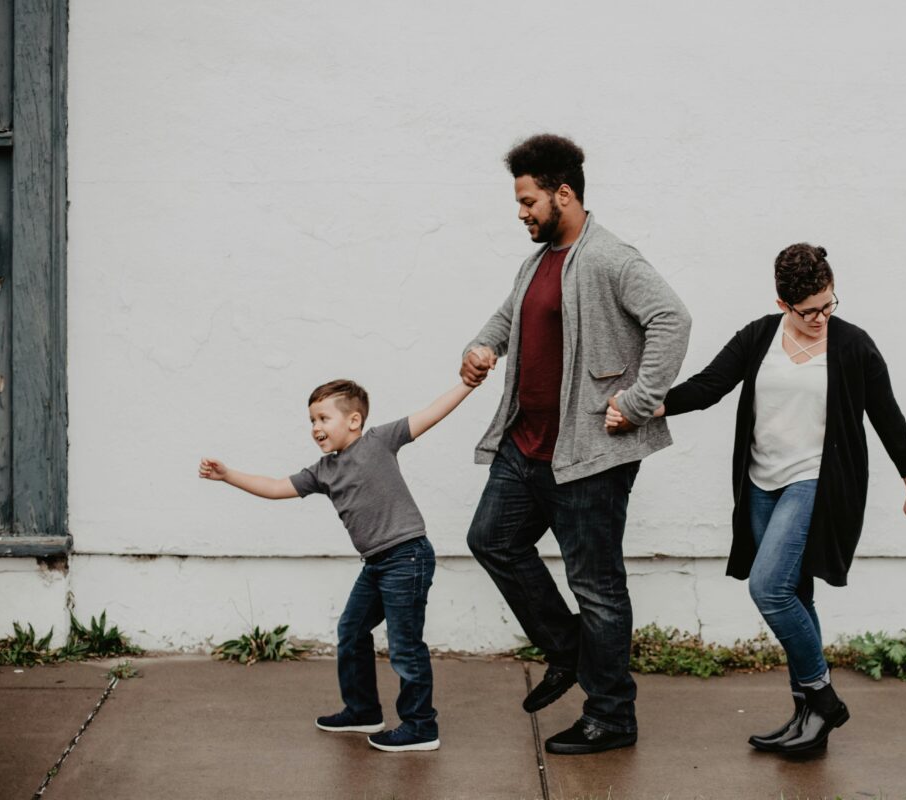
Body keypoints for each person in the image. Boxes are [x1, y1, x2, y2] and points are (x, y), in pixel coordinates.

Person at [606, 243, 906, 754]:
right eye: (809, 311)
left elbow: (887, 416)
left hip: (815, 482)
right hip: (761, 484)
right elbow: (710, 386)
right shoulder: (761, 336)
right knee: (796, 595)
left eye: (829, 305)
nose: (822, 318)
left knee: (769, 589)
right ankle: (809, 720)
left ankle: (823, 699)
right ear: (784, 304)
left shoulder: (853, 346)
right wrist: (644, 408)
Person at [461, 133, 690, 755]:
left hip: (587, 456)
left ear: (564, 194)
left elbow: (673, 318)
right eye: (519, 201)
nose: (521, 212)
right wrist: (482, 347)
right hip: (525, 447)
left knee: (597, 587)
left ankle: (612, 715)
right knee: (491, 540)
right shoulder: (537, 261)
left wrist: (639, 401)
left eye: (528, 200)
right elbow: (509, 317)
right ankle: (567, 653)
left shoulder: (611, 258)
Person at [198, 378, 474, 752]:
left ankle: (421, 726)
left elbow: (430, 414)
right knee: (352, 630)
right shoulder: (323, 471)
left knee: (405, 646)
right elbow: (277, 486)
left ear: (354, 420)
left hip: (407, 557)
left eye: (323, 418)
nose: (315, 428)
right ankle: (363, 711)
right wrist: (228, 475)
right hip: (376, 564)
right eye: (311, 420)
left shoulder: (379, 441)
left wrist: (467, 384)